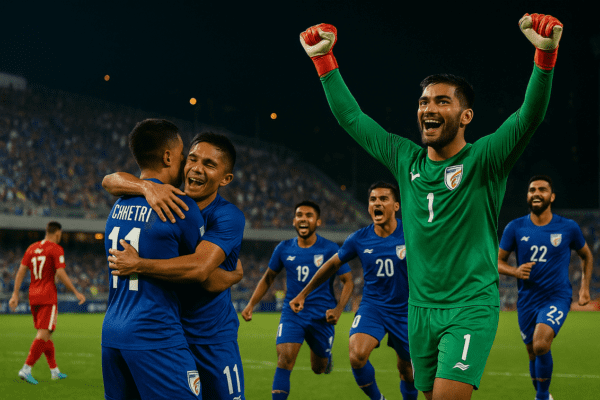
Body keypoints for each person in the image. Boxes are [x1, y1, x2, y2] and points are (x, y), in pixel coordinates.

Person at [299, 13, 563, 400]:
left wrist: (545, 57)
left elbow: (529, 117)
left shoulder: (485, 159)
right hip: (419, 310)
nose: (429, 109)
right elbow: (352, 118)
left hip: (469, 307)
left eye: (442, 101)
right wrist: (324, 61)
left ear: (466, 116)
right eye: (424, 102)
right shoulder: (405, 158)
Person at [103, 131, 247, 400]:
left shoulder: (227, 216)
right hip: (168, 336)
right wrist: (147, 187)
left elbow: (201, 272)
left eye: (209, 164)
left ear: (225, 179)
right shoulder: (163, 199)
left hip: (211, 340)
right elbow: (109, 180)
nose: (197, 168)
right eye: (192, 159)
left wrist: (139, 264)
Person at [101, 118, 206, 399]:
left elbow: (109, 179)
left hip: (112, 334)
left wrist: (145, 187)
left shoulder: (119, 203)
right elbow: (201, 268)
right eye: (182, 153)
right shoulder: (180, 205)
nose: (185, 161)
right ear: (168, 156)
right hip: (156, 334)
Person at [290, 182, 418, 400]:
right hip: (373, 307)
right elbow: (331, 265)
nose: (377, 203)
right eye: (373, 200)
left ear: (396, 206)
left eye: (383, 199)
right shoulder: (359, 238)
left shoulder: (412, 232)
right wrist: (303, 293)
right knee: (357, 355)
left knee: (407, 371)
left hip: (406, 310)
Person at [242, 200, 354, 400]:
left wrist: (339, 309)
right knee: (284, 359)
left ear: (318, 222)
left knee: (318, 368)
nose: (303, 219)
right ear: (294, 221)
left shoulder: (330, 249)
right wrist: (251, 304)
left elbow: (348, 281)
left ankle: (325, 357)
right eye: (299, 215)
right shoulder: (283, 248)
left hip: (321, 315)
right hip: (293, 312)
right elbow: (268, 277)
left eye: (309, 215)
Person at [498, 175, 592, 400]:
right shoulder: (515, 227)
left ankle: (541, 397)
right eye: (532, 190)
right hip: (527, 300)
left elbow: (586, 256)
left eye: (542, 189)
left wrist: (584, 288)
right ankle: (543, 394)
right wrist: (515, 271)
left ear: (552, 196)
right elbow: (498, 261)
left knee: (540, 344)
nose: (536, 193)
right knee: (532, 352)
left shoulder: (568, 227)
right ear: (527, 196)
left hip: (556, 296)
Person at [9, 221, 86, 385]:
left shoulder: (32, 248)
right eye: (60, 234)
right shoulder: (56, 249)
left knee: (46, 335)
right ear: (57, 233)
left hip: (33, 295)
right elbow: (60, 272)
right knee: (43, 334)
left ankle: (54, 371)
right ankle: (26, 369)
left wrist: (15, 294)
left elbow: (21, 271)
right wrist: (76, 291)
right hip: (47, 296)